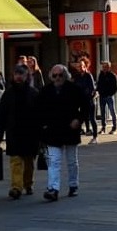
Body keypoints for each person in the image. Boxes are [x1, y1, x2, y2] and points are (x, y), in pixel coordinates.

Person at [38, 64, 87, 201]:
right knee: (54, 161)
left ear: (65, 76)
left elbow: (86, 106)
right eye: (55, 75)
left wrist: (79, 119)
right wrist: (43, 126)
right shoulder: (46, 91)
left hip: (70, 129)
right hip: (53, 131)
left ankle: (73, 185)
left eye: (60, 75)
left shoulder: (74, 89)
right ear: (51, 77)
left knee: (72, 161)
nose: (58, 78)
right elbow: (38, 109)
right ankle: (53, 189)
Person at [0, 63, 40, 200]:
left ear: (27, 76)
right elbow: (1, 114)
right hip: (13, 132)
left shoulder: (34, 94)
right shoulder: (8, 94)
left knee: (29, 162)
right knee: (15, 161)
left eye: (22, 74)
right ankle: (16, 187)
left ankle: (28, 183)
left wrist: (42, 133)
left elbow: (40, 115)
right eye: (16, 74)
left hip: (30, 133)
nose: (18, 77)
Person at [72, 57, 99, 144]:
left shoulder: (88, 76)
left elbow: (92, 89)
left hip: (89, 101)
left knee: (92, 119)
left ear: (85, 66)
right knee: (80, 119)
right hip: (81, 101)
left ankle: (95, 137)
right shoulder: (77, 76)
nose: (80, 68)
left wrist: (88, 94)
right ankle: (77, 136)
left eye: (82, 66)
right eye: (79, 66)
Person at [96, 60, 117, 134]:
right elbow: (99, 84)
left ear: (109, 67)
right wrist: (97, 91)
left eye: (105, 67)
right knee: (103, 113)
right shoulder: (101, 75)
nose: (104, 68)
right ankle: (103, 128)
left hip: (109, 96)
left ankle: (114, 128)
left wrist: (110, 94)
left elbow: (115, 88)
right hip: (102, 96)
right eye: (103, 67)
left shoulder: (112, 76)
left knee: (112, 112)